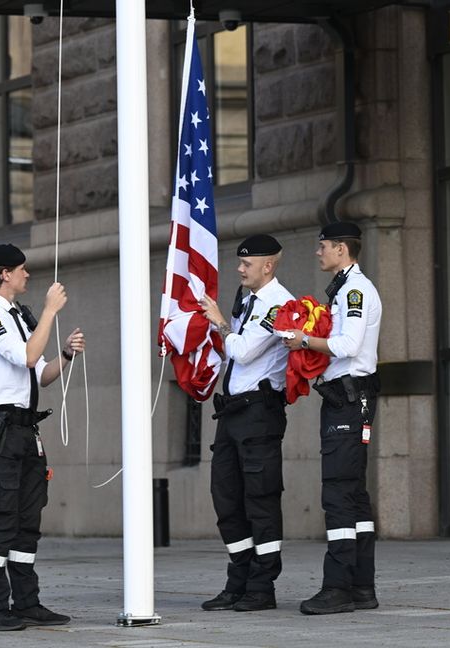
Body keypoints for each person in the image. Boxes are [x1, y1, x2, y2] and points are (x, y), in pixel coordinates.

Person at [0, 243, 85, 631]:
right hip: (0, 430)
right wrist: (51, 311)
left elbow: (40, 375)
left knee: (28, 518)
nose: (27, 275)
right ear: (5, 274)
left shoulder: (17, 314)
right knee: (1, 517)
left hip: (24, 428)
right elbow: (28, 358)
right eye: (22, 269)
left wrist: (65, 356)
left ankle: (26, 602)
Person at [281, 222, 382, 615]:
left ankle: (338, 587)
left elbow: (347, 345)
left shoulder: (355, 290)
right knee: (353, 494)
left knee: (339, 492)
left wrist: (301, 340)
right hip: (345, 400)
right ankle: (361, 587)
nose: (317, 252)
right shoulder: (344, 289)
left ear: (342, 249)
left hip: (349, 401)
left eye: (323, 246)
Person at [199, 234, 295, 612]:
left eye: (246, 264)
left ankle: (262, 585)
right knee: (225, 496)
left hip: (259, 413)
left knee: (260, 499)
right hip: (233, 411)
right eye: (239, 263)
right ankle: (237, 579)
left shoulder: (278, 304)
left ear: (267, 265)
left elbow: (242, 349)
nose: (239, 269)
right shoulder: (249, 301)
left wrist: (221, 322)